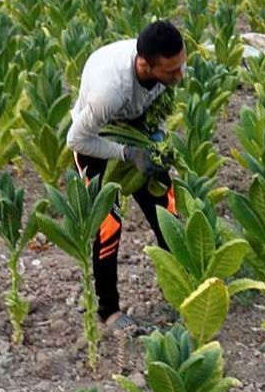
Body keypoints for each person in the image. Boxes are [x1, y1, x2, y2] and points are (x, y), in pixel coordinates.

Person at [67, 19, 186, 331]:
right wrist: (126, 154)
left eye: (181, 66)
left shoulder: (165, 68)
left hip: (134, 129)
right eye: (172, 72)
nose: (180, 76)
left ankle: (181, 289)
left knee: (167, 210)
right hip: (95, 139)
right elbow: (76, 139)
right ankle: (109, 311)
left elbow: (156, 108)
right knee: (109, 222)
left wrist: (156, 141)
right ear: (145, 64)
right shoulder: (111, 90)